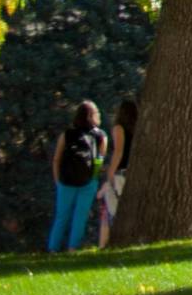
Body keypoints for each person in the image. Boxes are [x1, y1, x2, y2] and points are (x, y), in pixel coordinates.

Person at [48, 100, 107, 253]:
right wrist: (94, 180)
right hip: (87, 182)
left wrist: (57, 180)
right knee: (80, 217)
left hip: (65, 182)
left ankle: (53, 249)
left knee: (61, 217)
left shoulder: (67, 134)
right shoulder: (100, 136)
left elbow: (56, 159)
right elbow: (99, 161)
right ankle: (73, 248)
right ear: (92, 116)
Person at [91, 97, 136, 247]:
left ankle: (104, 244)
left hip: (121, 173)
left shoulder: (118, 128)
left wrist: (110, 173)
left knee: (110, 210)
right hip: (134, 172)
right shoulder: (138, 129)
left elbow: (118, 152)